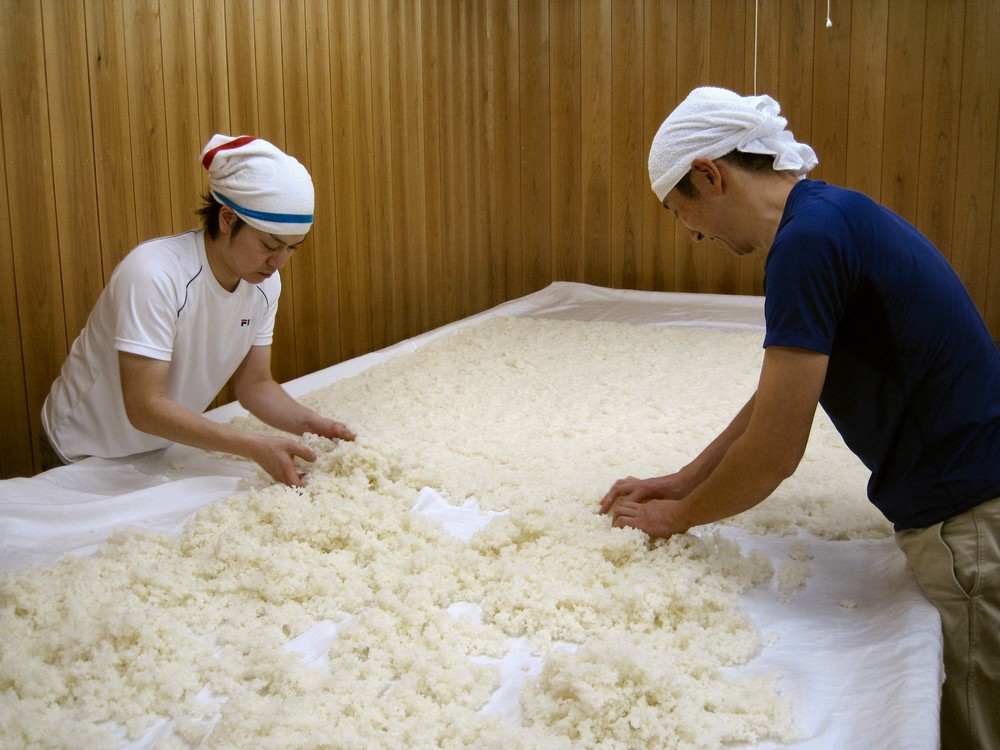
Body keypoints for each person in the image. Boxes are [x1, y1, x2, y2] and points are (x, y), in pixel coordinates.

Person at [599, 86, 1000, 750]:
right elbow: (778, 397)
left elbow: (774, 453)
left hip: (972, 519)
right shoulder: (831, 215)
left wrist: (678, 517)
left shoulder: (807, 244)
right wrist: (684, 478)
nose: (692, 233)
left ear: (710, 175)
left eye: (680, 211)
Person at [41, 134, 355, 486]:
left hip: (158, 446)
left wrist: (315, 425)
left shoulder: (265, 284)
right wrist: (254, 446)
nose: (279, 262)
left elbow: (255, 385)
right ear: (227, 218)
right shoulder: (154, 274)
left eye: (293, 249)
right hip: (83, 450)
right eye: (270, 245)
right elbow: (144, 406)